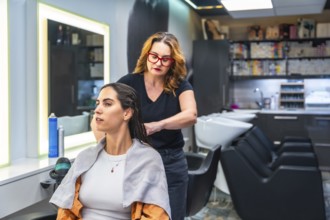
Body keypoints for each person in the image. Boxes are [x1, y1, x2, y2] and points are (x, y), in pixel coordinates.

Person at [94, 32, 197, 220]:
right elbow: (99, 115)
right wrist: (107, 150)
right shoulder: (129, 83)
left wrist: (158, 125)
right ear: (147, 55)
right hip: (136, 161)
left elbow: (191, 115)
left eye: (166, 59)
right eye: (154, 56)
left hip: (170, 163)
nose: (158, 63)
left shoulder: (180, 86)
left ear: (173, 62)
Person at [50, 83, 171, 219]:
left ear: (127, 113)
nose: (97, 110)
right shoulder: (85, 158)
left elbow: (155, 216)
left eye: (107, 104)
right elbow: (66, 211)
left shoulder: (147, 160)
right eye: (97, 103)